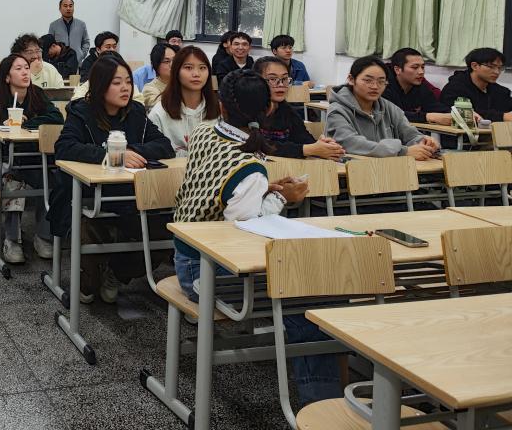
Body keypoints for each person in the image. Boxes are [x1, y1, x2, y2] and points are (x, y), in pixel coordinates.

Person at [173, 70, 336, 406]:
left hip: (189, 257)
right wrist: (281, 197)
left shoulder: (204, 131)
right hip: (205, 273)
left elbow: (219, 189)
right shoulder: (249, 166)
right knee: (309, 297)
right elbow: (246, 232)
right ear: (267, 109)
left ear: (221, 105)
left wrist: (266, 189)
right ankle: (320, 403)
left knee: (313, 286)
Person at [51, 53, 174, 303]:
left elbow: (164, 146)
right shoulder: (81, 112)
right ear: (100, 85)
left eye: (128, 81)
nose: (125, 88)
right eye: (117, 82)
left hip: (132, 195)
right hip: (89, 195)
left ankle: (117, 273)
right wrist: (111, 155)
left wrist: (132, 152)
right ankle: (91, 276)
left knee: (166, 232)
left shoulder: (135, 112)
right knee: (89, 279)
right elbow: (64, 147)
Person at [0, 54, 64, 264]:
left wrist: (28, 122)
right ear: (7, 77)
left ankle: (43, 236)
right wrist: (6, 125)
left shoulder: (37, 94)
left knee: (51, 181)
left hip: (32, 159)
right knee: (12, 181)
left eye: (26, 67)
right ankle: (12, 239)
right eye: (18, 69)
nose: (25, 72)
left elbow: (56, 117)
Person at [325, 56, 438, 159]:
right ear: (351, 79)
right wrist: (402, 151)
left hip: (388, 169)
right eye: (368, 80)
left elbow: (410, 134)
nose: (375, 86)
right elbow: (350, 143)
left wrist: (423, 141)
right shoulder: (338, 110)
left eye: (381, 81)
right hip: (353, 170)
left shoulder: (389, 108)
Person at [254, 56, 344, 159]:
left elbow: (304, 139)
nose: (281, 84)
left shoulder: (287, 111)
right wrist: (308, 149)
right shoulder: (249, 110)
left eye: (285, 79)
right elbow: (259, 145)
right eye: (273, 79)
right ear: (257, 81)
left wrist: (322, 146)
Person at [148, 45, 219, 155]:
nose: (196, 74)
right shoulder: (160, 112)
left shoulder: (218, 109)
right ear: (176, 71)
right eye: (188, 68)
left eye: (202, 68)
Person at [439, 47, 512, 122]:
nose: (497, 72)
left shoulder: (501, 91)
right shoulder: (455, 88)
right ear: (474, 66)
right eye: (491, 67)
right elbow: (462, 113)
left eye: (500, 68)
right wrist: (502, 116)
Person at [383, 48, 452, 125]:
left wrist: (453, 115)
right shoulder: (383, 86)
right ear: (397, 70)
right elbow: (389, 114)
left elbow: (436, 107)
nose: (421, 72)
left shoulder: (420, 86)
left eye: (422, 67)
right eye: (415, 67)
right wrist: (427, 117)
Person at [140, 42, 176, 110]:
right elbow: (164, 108)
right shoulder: (150, 89)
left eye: (175, 60)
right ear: (156, 65)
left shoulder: (183, 83)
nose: (172, 64)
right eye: (166, 61)